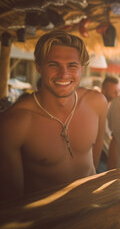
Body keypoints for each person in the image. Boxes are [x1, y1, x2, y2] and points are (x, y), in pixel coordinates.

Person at [0, 31, 107, 201]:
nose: (63, 74)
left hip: (90, 208)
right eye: (53, 65)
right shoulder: (15, 122)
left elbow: (94, 162)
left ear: (82, 68)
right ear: (38, 67)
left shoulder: (97, 103)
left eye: (72, 65)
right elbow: (12, 197)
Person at [97, 76, 120, 173]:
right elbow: (106, 137)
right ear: (103, 91)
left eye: (118, 91)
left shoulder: (111, 108)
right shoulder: (99, 108)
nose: (117, 95)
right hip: (101, 160)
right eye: (114, 92)